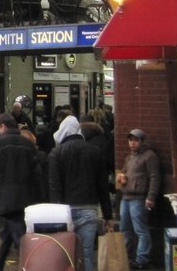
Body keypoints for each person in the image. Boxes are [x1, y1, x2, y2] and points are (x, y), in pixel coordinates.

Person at [48, 115, 113, 271]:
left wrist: (54, 214)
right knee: (87, 253)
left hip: (64, 211)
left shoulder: (56, 154)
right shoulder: (94, 152)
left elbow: (54, 187)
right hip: (89, 208)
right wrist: (108, 216)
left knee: (64, 254)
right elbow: (102, 186)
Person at [0, 113, 43, 271]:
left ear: (3, 126)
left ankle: (33, 263)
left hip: (5, 195)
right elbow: (36, 173)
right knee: (9, 230)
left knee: (18, 234)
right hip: (27, 195)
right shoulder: (28, 144)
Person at [116, 129, 160, 270]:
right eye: (130, 140)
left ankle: (142, 259)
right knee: (125, 229)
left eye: (135, 140)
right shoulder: (130, 157)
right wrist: (121, 176)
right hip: (126, 197)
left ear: (142, 141)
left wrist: (150, 197)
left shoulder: (149, 156)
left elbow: (154, 177)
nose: (132, 143)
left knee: (140, 229)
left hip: (139, 198)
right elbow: (123, 171)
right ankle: (127, 257)